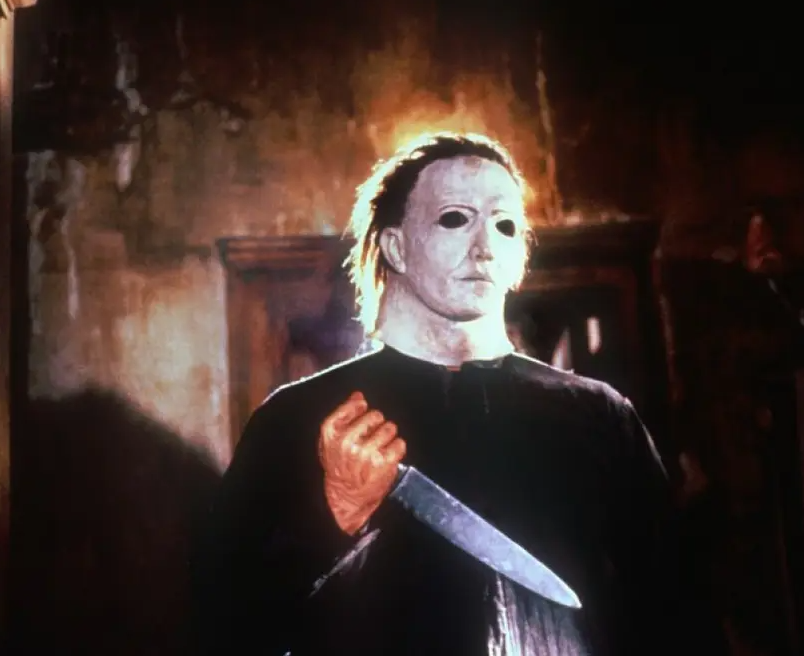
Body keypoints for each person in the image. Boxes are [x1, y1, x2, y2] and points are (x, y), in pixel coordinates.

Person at [191, 132, 725, 655]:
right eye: (454, 218)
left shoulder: (601, 416)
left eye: (505, 225)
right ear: (396, 246)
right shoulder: (297, 418)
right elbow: (220, 623)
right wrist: (329, 518)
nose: (485, 247)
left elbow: (677, 617)